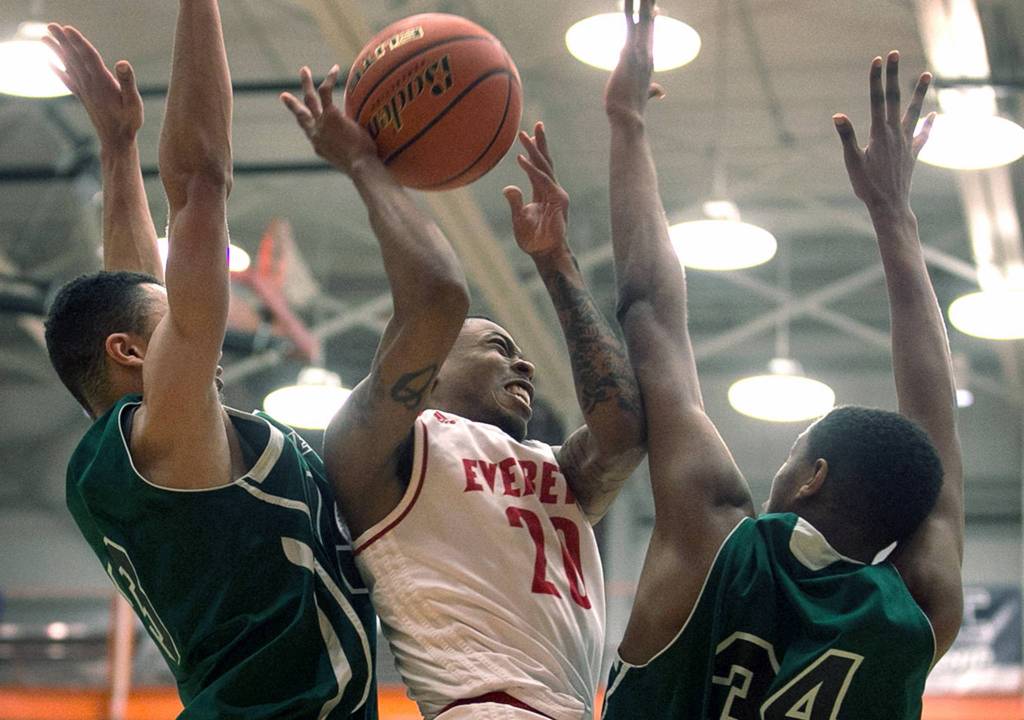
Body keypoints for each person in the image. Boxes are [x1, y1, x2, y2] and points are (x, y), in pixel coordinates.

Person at [601, 2, 963, 718]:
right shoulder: (917, 611)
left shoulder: (714, 542)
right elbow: (937, 432)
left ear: (813, 478)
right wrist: (896, 216)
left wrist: (627, 124)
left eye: (794, 454)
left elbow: (650, 318)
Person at [42, 7, 376, 717]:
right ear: (131, 354)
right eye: (176, 321)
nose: (206, 334)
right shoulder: (169, 435)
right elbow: (200, 182)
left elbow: (131, 295)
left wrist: (118, 146)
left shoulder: (123, 457)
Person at [281, 67, 645, 720]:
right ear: (431, 368)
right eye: (499, 347)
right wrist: (365, 163)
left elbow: (624, 427)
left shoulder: (556, 470)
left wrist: (557, 262)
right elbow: (439, 297)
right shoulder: (382, 447)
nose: (526, 365)